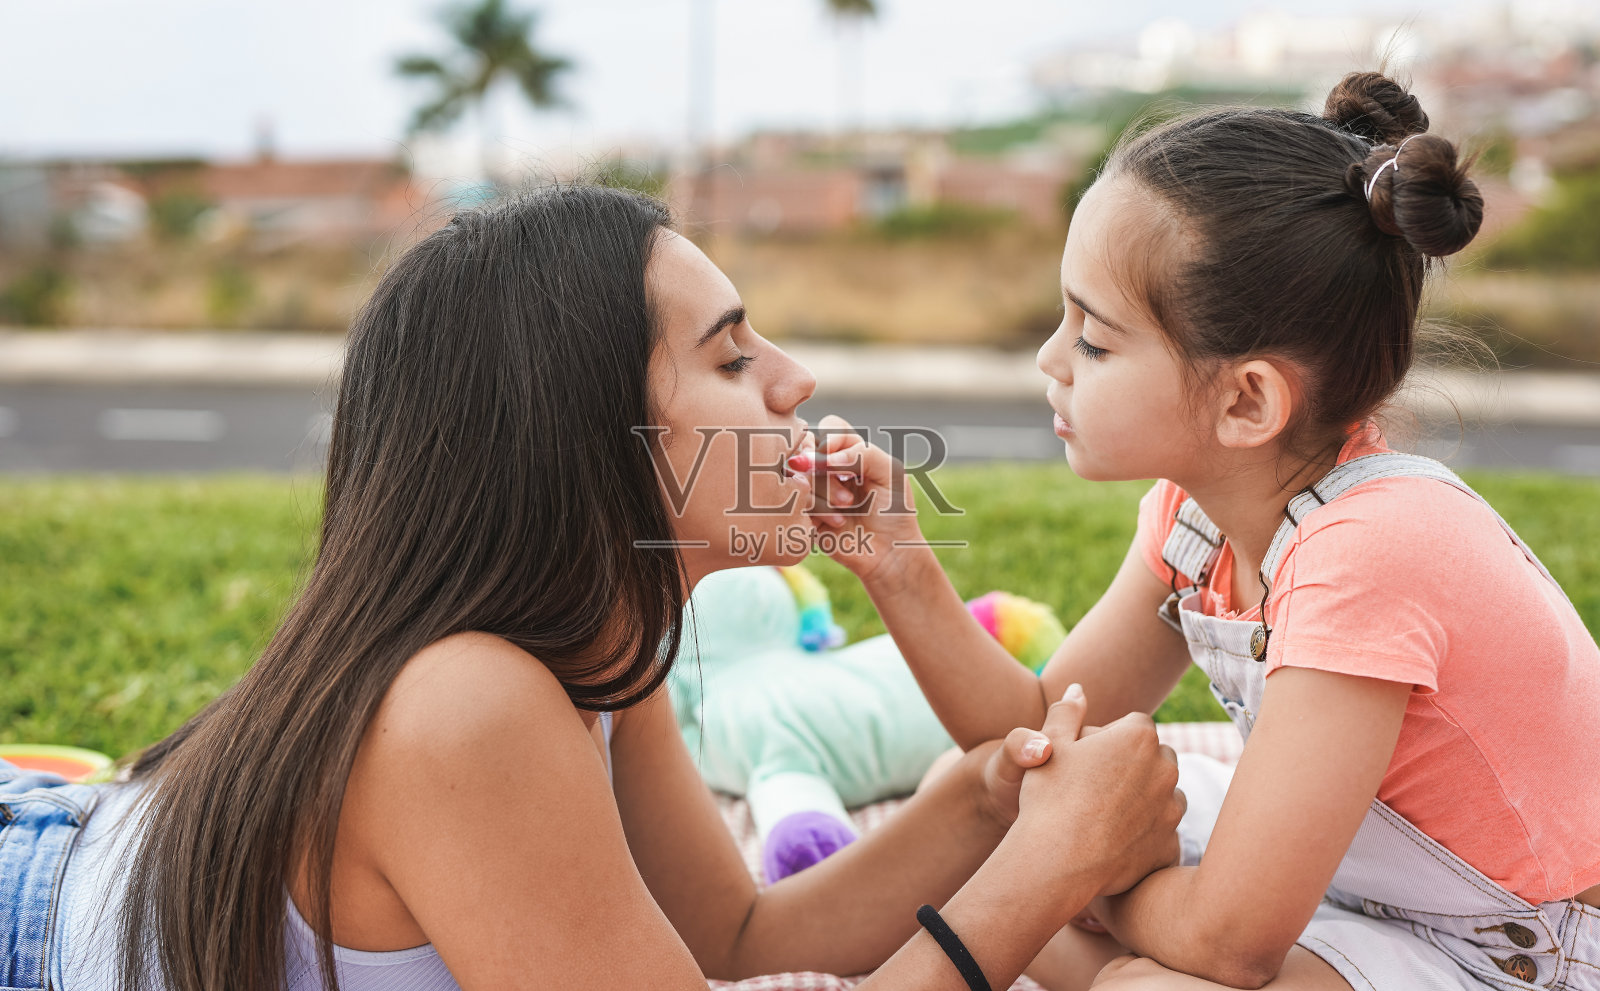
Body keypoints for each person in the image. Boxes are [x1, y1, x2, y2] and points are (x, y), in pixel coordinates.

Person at [0, 184, 1187, 991]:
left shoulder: (602, 644)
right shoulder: (467, 701)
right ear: (586, 435)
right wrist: (1046, 869)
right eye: (731, 356)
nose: (793, 381)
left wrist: (986, 803)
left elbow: (733, 935)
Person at [797, 71, 1600, 990]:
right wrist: (899, 565)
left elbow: (1231, 941)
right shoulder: (1197, 519)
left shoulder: (1369, 552)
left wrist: (1098, 878)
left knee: (1127, 971)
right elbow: (1038, 727)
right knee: (1018, 828)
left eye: (1093, 339)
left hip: (1525, 944)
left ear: (1247, 401)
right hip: (1359, 889)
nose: (1050, 358)